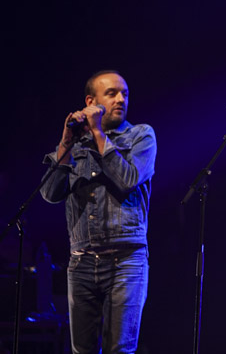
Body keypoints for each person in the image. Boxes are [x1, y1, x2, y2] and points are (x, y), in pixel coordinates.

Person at [40, 70, 157, 354]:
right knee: (83, 350)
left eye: (124, 94)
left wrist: (99, 135)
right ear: (91, 101)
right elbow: (50, 193)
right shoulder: (76, 145)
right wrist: (66, 141)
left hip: (126, 261)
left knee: (120, 349)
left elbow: (128, 179)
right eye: (112, 94)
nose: (121, 99)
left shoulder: (140, 135)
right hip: (81, 263)